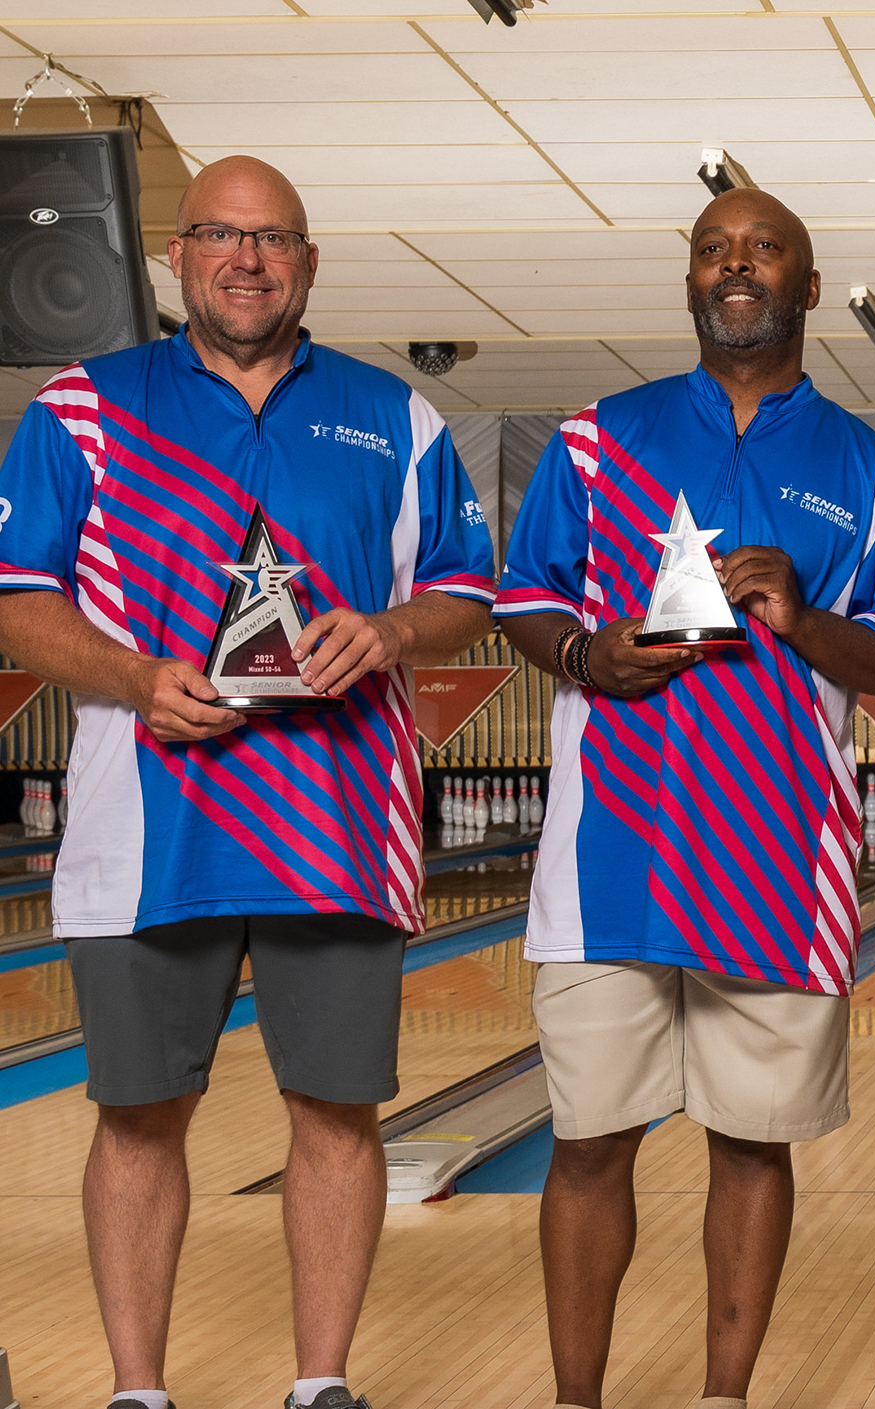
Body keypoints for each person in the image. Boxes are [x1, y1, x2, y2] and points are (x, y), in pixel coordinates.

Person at [0, 157, 496, 1409]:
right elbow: (17, 599)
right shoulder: (82, 406)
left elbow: (466, 593)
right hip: (143, 835)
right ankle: (137, 1389)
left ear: (309, 262)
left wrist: (387, 633)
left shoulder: (399, 416)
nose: (248, 259)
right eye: (223, 234)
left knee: (337, 1114)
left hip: (340, 834)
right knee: (137, 1117)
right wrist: (129, 673)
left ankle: (319, 1381)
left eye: (274, 239)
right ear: (180, 253)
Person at [493, 186, 875, 1409]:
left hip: (776, 866)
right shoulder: (598, 437)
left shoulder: (874, 469)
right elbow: (524, 599)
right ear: (691, 282)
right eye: (712, 250)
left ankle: (722, 1398)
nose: (734, 267)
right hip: (610, 865)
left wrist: (808, 619)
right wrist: (589, 657)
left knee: (752, 1143)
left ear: (807, 286)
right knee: (587, 1141)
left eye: (763, 252)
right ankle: (574, 1400)